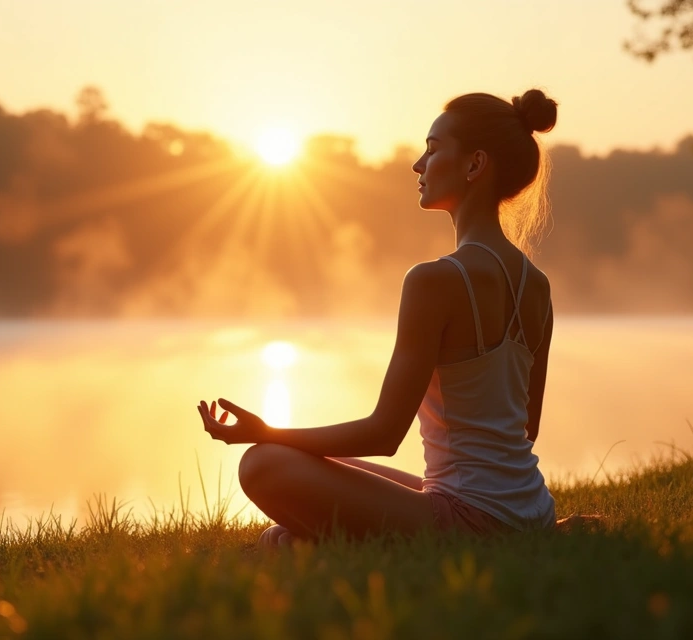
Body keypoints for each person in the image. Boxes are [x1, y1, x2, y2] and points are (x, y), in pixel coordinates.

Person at [198, 89, 564, 549]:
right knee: (316, 479)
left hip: (473, 523)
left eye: (432, 150)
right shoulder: (538, 285)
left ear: (474, 165)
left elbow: (384, 433)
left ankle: (307, 546)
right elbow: (525, 427)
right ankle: (307, 545)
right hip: (533, 512)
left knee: (262, 463)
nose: (418, 165)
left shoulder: (436, 280)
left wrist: (266, 432)